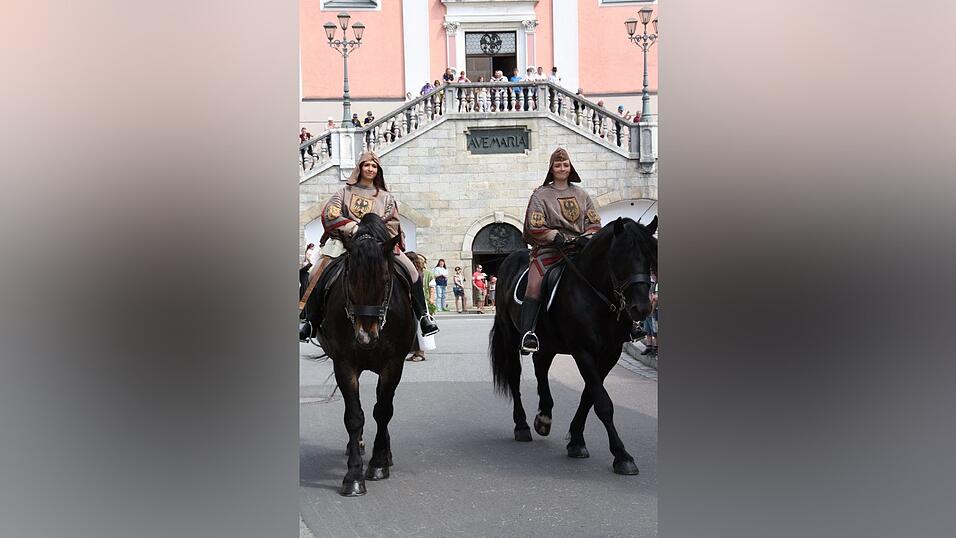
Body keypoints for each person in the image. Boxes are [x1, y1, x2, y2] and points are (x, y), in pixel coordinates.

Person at [298, 151, 439, 340]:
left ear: (378, 170)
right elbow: (331, 215)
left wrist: (374, 234)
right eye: (367, 165)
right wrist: (354, 228)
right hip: (346, 241)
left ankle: (424, 317)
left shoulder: (386, 197)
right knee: (314, 272)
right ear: (360, 168)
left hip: (379, 243)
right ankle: (309, 321)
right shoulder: (344, 192)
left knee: (412, 272)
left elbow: (393, 223)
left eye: (374, 166)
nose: (370, 169)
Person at [518, 147, 602, 353]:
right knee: (534, 284)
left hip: (580, 250)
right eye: (558, 165)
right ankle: (528, 333)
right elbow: (534, 226)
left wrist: (588, 237)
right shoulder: (541, 195)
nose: (562, 168)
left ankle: (627, 325)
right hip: (549, 250)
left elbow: (594, 222)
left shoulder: (581, 194)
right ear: (551, 169)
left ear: (570, 167)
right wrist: (554, 236)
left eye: (565, 165)